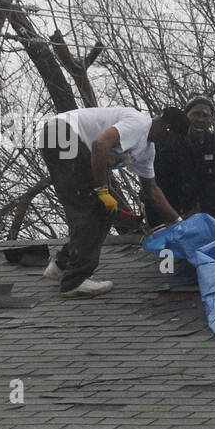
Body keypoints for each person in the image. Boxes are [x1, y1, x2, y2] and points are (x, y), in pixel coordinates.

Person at [36, 106, 186, 298]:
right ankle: (74, 281)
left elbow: (152, 190)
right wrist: (102, 190)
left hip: (64, 139)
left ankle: (61, 265)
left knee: (103, 210)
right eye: (174, 138)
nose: (172, 144)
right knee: (90, 206)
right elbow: (99, 145)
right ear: (167, 129)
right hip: (61, 133)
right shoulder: (139, 124)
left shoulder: (147, 151)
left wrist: (179, 222)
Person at [145, 94, 215, 226]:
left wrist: (207, 220)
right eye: (196, 114)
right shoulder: (168, 140)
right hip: (166, 211)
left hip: (200, 210)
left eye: (205, 116)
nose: (200, 119)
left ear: (211, 121)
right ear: (186, 116)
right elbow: (154, 184)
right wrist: (170, 219)